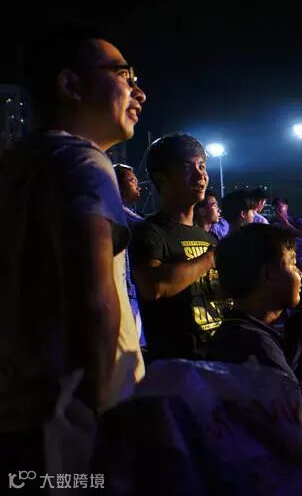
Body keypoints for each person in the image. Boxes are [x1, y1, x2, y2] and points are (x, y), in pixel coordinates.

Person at [0, 28, 146, 473]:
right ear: (71, 84)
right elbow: (94, 301)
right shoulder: (84, 162)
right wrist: (97, 413)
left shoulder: (17, 164)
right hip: (74, 426)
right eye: (123, 74)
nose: (138, 92)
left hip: (19, 415)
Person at [207, 225, 302, 442]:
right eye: (293, 263)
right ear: (268, 274)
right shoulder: (254, 343)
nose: (300, 273)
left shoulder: (235, 332)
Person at [130, 134, 223, 361]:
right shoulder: (150, 232)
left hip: (215, 358)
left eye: (202, 166)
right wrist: (210, 259)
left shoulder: (209, 238)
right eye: (187, 167)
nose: (201, 175)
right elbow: (153, 286)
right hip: (176, 365)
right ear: (161, 179)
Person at [115, 164, 147, 347]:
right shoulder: (117, 211)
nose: (138, 186)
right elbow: (147, 227)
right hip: (127, 289)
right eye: (132, 181)